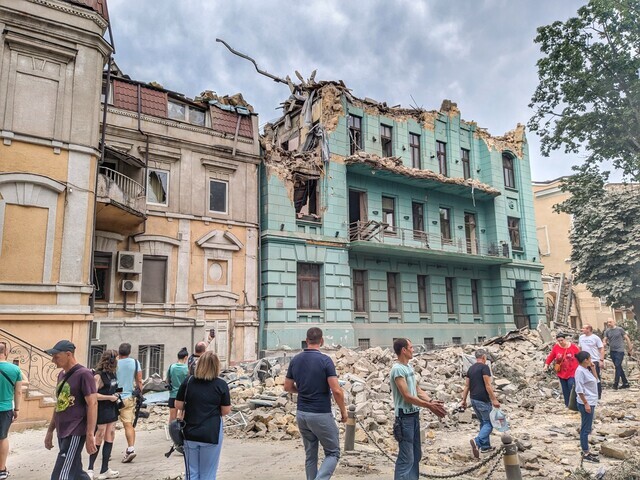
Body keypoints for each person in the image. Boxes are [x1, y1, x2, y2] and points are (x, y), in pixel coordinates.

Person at [284, 328, 347, 480]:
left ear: (306, 341)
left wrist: (304, 390)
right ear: (322, 341)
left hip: (302, 414)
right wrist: (344, 412)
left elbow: (287, 387)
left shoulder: (295, 360)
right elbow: (336, 390)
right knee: (333, 452)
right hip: (320, 413)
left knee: (310, 455)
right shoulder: (325, 361)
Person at [390, 338, 447, 480]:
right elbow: (407, 396)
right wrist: (429, 406)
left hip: (414, 416)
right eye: (411, 347)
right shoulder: (397, 369)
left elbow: (416, 389)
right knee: (406, 457)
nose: (413, 349)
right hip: (404, 418)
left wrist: (431, 401)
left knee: (416, 455)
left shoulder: (408, 367)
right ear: (404, 350)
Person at [43, 340, 98, 480]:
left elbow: (92, 404)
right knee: (76, 472)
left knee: (61, 475)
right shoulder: (61, 375)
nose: (53, 360)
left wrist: (90, 434)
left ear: (68, 354)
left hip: (75, 430)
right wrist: (50, 431)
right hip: (62, 430)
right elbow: (59, 404)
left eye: (56, 356)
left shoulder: (84, 374)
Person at [175, 351, 231, 480]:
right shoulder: (221, 385)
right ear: (216, 366)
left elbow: (178, 405)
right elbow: (225, 411)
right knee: (208, 473)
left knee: (191, 472)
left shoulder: (188, 381)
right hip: (211, 432)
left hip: (190, 431)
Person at [460, 349, 500, 458]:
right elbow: (488, 385)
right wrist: (494, 399)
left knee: (483, 422)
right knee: (489, 423)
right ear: (483, 357)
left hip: (473, 399)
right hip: (483, 399)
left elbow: (467, 386)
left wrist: (463, 400)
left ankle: (485, 446)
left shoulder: (471, 369)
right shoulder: (484, 367)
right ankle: (477, 441)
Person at [87, 350, 120, 480]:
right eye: (116, 358)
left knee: (110, 434)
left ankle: (105, 469)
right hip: (101, 409)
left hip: (112, 407)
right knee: (99, 435)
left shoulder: (112, 373)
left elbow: (113, 387)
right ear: (112, 360)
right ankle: (90, 469)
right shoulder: (99, 375)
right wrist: (109, 397)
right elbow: (93, 394)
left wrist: (116, 395)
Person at [116, 343, 142, 463]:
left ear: (119, 351)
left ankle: (105, 449)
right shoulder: (135, 363)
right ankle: (131, 448)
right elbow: (139, 381)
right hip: (128, 397)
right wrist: (140, 394)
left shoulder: (113, 363)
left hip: (113, 397)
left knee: (108, 425)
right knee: (128, 424)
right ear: (129, 352)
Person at [0, 342, 22, 480]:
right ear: (6, 352)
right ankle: (1, 469)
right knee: (2, 438)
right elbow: (18, 392)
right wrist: (17, 409)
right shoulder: (15, 369)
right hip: (6, 408)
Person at [574, 351, 600, 463]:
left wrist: (593, 368)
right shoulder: (580, 371)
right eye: (589, 359)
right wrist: (586, 403)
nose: (591, 360)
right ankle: (586, 452)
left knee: (587, 427)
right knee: (585, 428)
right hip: (586, 402)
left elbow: (596, 380)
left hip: (591, 400)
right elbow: (579, 389)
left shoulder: (586, 370)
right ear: (585, 360)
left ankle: (586, 449)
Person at [544, 332, 579, 408]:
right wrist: (546, 364)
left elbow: (579, 356)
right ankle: (567, 405)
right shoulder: (556, 347)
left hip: (572, 371)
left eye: (562, 340)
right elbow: (551, 356)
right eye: (559, 340)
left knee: (571, 386)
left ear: (565, 339)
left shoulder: (573, 347)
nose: (560, 342)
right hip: (562, 372)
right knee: (565, 389)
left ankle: (574, 404)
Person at [603, 318, 633, 389]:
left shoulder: (620, 329)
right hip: (612, 351)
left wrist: (630, 349)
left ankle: (615, 384)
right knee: (618, 366)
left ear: (614, 322)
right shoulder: (607, 331)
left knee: (617, 365)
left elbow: (627, 338)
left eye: (610, 322)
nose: (609, 324)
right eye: (608, 322)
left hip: (620, 350)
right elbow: (605, 339)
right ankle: (625, 383)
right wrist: (604, 343)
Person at [578, 324, 605, 398]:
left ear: (589, 329)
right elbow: (580, 348)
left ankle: (598, 393)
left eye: (584, 328)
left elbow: (601, 349)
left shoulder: (595, 338)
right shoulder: (581, 337)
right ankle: (588, 393)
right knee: (585, 377)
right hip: (584, 361)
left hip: (594, 360)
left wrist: (601, 360)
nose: (582, 329)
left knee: (595, 377)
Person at [166, 347, 189, 423]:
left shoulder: (171, 367)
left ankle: (171, 433)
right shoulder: (187, 369)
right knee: (182, 416)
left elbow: (167, 380)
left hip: (173, 394)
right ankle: (180, 432)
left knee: (172, 417)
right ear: (185, 357)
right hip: (184, 395)